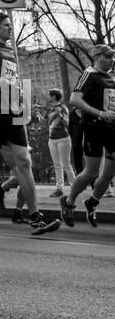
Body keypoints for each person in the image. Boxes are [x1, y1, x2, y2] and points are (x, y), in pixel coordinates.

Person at [0, 12, 59, 236]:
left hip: (13, 110)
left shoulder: (10, 51)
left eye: (10, 25)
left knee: (24, 162)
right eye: (6, 26)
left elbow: (12, 80)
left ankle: (35, 217)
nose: (10, 29)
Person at [60, 44, 115, 228]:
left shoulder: (110, 78)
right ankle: (68, 202)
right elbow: (74, 100)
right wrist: (99, 114)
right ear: (97, 57)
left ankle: (92, 201)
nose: (111, 60)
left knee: (108, 173)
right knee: (91, 171)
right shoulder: (89, 74)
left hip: (111, 129)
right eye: (108, 56)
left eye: (113, 56)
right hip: (93, 128)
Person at [44, 89, 74, 197]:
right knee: (57, 165)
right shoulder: (50, 109)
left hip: (63, 138)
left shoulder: (63, 108)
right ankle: (59, 189)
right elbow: (46, 122)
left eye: (49, 95)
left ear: (54, 96)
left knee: (66, 164)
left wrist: (60, 115)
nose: (48, 96)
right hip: (52, 139)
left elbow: (67, 124)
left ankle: (75, 187)